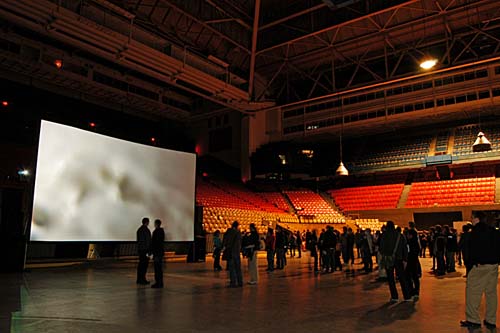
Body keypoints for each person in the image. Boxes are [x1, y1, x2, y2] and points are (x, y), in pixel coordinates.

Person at [460, 212, 500, 329]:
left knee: (473, 293)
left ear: (477, 219)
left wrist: (470, 265)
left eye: (472, 218)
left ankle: (473, 320)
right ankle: (490, 320)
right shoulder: (494, 231)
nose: (471, 220)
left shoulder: (474, 233)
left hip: (479, 266)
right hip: (493, 266)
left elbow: (471, 251)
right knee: (491, 293)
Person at [380, 221, 410, 302]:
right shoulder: (400, 235)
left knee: (390, 278)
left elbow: (381, 248)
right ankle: (407, 296)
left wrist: (386, 254)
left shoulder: (384, 235)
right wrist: (405, 259)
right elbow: (405, 248)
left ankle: (394, 296)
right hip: (399, 258)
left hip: (389, 259)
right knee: (402, 278)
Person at [225, 221, 243, 288]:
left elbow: (226, 241)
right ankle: (240, 281)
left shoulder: (229, 232)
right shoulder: (238, 233)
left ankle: (233, 282)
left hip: (231, 251)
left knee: (232, 268)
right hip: (237, 252)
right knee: (238, 268)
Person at [406, 222, 421, 300]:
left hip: (411, 260)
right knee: (414, 276)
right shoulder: (415, 243)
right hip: (413, 260)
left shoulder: (411, 243)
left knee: (411, 276)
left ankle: (413, 290)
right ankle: (415, 291)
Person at [136, 217, 151, 285]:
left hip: (140, 249)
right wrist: (149, 250)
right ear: (147, 222)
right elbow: (148, 241)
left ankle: (139, 279)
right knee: (144, 265)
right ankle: (143, 279)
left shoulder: (139, 230)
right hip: (145, 250)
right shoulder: (146, 230)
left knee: (140, 265)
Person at [151, 219, 165, 289]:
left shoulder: (156, 232)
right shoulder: (162, 232)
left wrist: (152, 251)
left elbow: (154, 243)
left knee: (157, 268)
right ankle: (160, 282)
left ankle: (158, 283)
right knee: (159, 268)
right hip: (160, 252)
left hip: (157, 252)